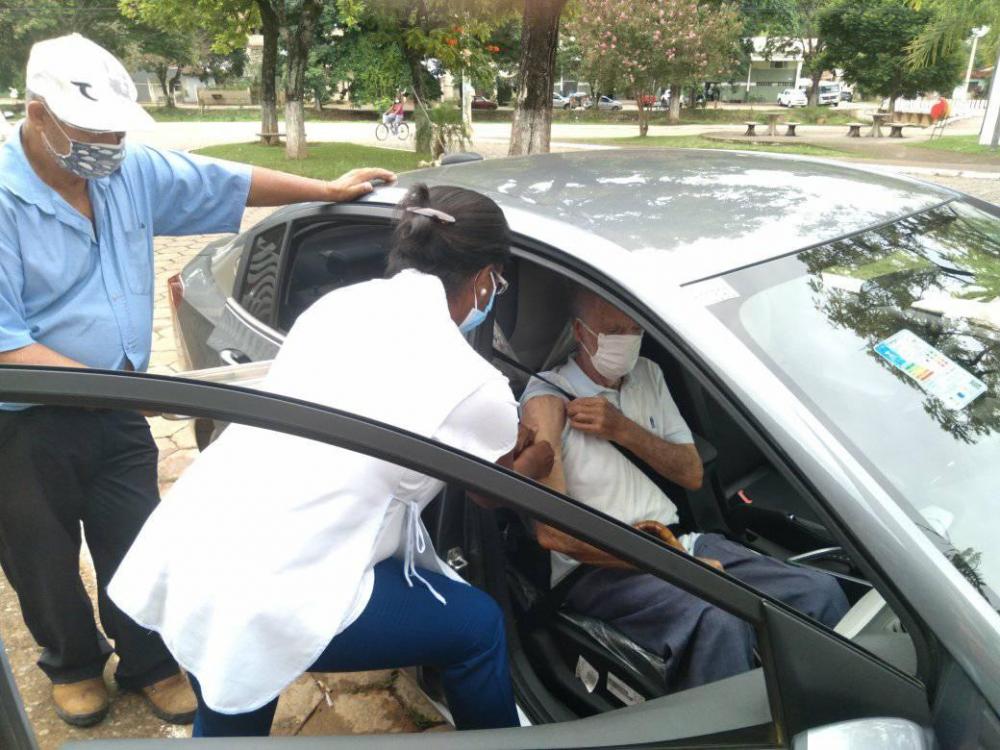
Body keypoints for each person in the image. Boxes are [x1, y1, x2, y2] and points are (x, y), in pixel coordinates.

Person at [0, 33, 396, 729]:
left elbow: (225, 181)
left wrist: (326, 190)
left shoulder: (125, 173)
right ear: (38, 115)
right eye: (91, 132)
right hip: (24, 417)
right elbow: (5, 347)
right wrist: (125, 389)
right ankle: (72, 663)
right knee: (40, 550)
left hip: (114, 399)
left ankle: (149, 659)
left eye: (115, 133)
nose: (107, 146)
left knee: (138, 535)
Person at [108, 183, 555, 737]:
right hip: (269, 583)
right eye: (499, 282)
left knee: (233, 703)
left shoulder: (338, 304)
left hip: (201, 535)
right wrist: (541, 452)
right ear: (486, 278)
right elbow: (495, 490)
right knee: (478, 627)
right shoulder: (475, 384)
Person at [519, 288, 850, 692]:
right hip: (601, 570)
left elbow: (691, 473)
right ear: (580, 332)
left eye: (634, 329)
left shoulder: (648, 375)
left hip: (680, 543)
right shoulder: (547, 399)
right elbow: (553, 533)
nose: (626, 340)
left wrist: (623, 430)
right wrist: (665, 560)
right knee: (719, 620)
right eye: (612, 331)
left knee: (817, 591)